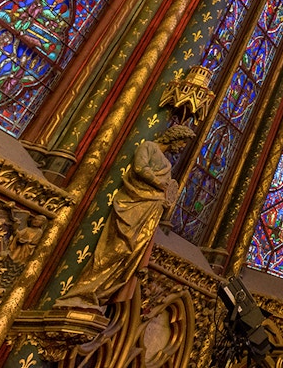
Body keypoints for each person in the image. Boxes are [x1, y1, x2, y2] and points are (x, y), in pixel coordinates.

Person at [56, 126, 193, 311]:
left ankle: (98, 294)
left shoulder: (167, 164)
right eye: (183, 142)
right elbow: (139, 167)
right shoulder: (149, 147)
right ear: (175, 137)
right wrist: (159, 183)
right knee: (118, 247)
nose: (182, 147)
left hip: (150, 211)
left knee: (130, 254)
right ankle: (83, 291)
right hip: (134, 205)